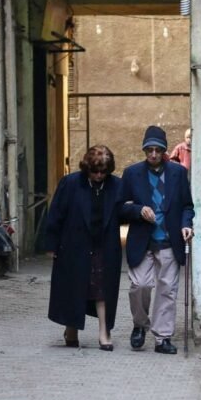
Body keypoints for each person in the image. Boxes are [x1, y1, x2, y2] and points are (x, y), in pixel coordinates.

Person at [42, 145, 126, 351]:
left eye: (103, 172)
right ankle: (71, 329)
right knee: (74, 287)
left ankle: (104, 332)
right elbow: (56, 214)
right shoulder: (70, 183)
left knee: (102, 290)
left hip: (104, 246)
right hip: (74, 245)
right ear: (87, 168)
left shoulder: (116, 186)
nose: (99, 176)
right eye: (95, 171)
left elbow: (124, 211)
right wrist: (51, 245)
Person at [120, 126, 195, 354]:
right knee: (140, 285)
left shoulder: (178, 173)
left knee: (167, 289)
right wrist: (138, 210)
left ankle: (163, 338)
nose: (153, 154)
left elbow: (187, 206)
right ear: (144, 150)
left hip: (169, 240)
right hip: (142, 240)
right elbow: (119, 208)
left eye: (157, 150)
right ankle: (139, 324)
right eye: (149, 150)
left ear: (164, 151)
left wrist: (186, 224)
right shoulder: (132, 173)